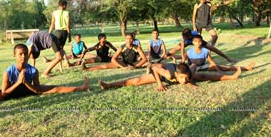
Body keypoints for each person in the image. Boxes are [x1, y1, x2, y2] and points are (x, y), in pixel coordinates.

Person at [0, 44, 89, 108]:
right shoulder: (8, 72)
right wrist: (18, 82)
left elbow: (37, 89)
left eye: (25, 54)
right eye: (20, 54)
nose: (23, 56)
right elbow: (4, 93)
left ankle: (81, 87)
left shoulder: (33, 71)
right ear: (14, 55)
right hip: (10, 92)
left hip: (29, 90)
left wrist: (26, 83)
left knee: (56, 88)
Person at [99, 62, 241, 91]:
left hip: (178, 67)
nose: (184, 81)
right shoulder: (168, 73)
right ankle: (109, 85)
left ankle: (232, 77)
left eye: (186, 78)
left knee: (204, 75)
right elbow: (155, 68)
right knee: (137, 81)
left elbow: (194, 66)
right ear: (177, 75)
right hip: (159, 70)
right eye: (182, 78)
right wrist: (160, 84)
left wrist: (191, 80)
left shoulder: (188, 73)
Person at [183, 35, 255, 73]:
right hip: (192, 68)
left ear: (202, 42)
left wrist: (218, 70)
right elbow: (183, 62)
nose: (198, 43)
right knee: (192, 66)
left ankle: (245, 68)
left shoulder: (205, 51)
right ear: (193, 42)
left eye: (200, 41)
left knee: (223, 67)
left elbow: (211, 61)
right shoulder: (189, 51)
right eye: (196, 42)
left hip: (203, 66)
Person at [82, 33, 147, 71]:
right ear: (125, 39)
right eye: (127, 38)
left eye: (130, 39)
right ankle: (87, 69)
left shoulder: (137, 47)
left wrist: (136, 66)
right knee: (105, 66)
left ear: (133, 40)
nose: (129, 40)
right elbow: (113, 59)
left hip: (135, 63)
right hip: (124, 63)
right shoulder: (121, 47)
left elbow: (145, 59)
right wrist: (123, 67)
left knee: (148, 63)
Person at [167, 28, 235, 63]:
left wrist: (201, 49)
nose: (184, 37)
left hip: (197, 41)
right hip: (187, 42)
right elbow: (182, 49)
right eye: (184, 37)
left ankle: (228, 58)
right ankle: (163, 57)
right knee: (174, 50)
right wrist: (183, 59)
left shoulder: (195, 34)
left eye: (186, 37)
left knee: (213, 49)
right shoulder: (183, 37)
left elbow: (201, 43)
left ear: (190, 35)